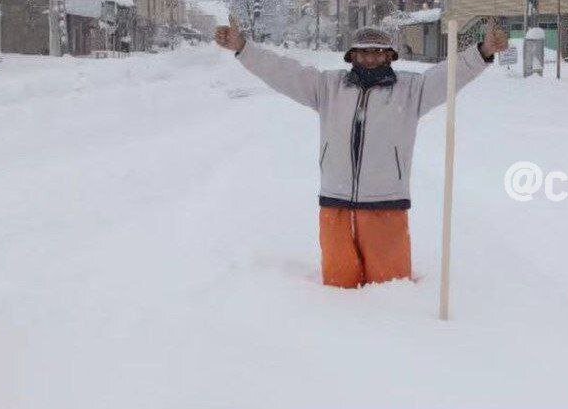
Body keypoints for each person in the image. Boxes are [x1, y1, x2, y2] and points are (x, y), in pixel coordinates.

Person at [215, 20, 509, 288]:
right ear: (351, 56)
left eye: (378, 52)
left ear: (389, 56)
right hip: (335, 204)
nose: (370, 58)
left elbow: (448, 74)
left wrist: (482, 52)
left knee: (391, 289)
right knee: (337, 288)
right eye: (363, 53)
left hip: (386, 204)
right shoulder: (327, 87)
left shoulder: (411, 90)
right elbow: (283, 71)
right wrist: (243, 48)